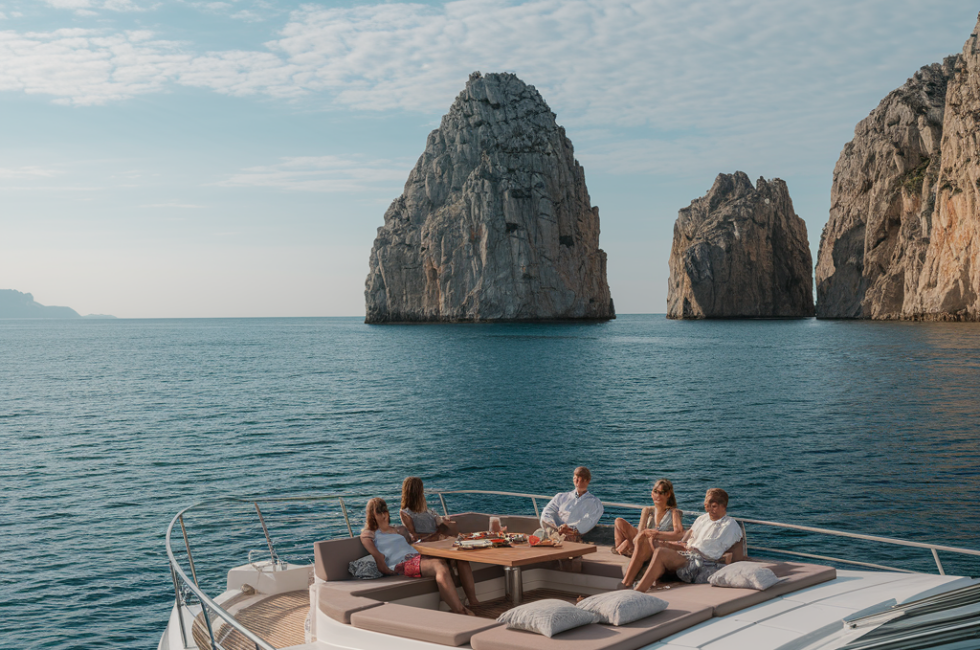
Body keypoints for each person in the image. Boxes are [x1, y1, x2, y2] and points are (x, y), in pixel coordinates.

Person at [359, 498, 479, 614]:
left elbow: (415, 542)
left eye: (384, 510)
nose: (383, 514)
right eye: (379, 511)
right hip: (401, 563)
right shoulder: (368, 534)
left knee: (458, 558)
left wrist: (441, 528)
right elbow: (378, 557)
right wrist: (388, 571)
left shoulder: (399, 530)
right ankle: (460, 610)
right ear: (372, 515)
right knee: (438, 565)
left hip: (416, 557)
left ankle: (473, 602)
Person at [618, 488, 742, 592]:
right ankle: (627, 583)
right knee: (646, 541)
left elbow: (709, 550)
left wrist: (683, 547)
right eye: (706, 506)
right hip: (687, 553)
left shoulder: (730, 525)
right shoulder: (702, 519)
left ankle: (638, 591)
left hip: (700, 562)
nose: (709, 510)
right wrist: (673, 544)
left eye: (713, 506)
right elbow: (686, 539)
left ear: (723, 506)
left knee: (661, 553)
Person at [612, 479, 684, 556]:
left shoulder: (674, 512)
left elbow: (678, 534)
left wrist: (656, 534)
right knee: (618, 521)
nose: (657, 496)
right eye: (655, 492)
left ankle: (629, 549)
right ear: (652, 494)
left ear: (668, 494)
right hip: (643, 540)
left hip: (659, 543)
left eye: (661, 493)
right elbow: (640, 531)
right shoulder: (647, 510)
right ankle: (624, 549)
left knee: (643, 541)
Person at [539, 466, 603, 543]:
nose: (578, 480)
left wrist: (570, 528)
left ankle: (557, 539)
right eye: (576, 477)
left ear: (588, 480)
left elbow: (589, 520)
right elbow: (547, 513)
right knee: (546, 520)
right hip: (556, 530)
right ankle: (556, 537)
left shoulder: (595, 502)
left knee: (566, 536)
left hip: (574, 533)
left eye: (582, 478)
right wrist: (557, 527)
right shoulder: (561, 496)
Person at [399, 477, 458, 542]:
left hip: (439, 538)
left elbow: (440, 529)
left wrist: (444, 524)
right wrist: (437, 534)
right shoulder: (406, 512)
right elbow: (414, 536)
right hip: (429, 541)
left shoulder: (427, 509)